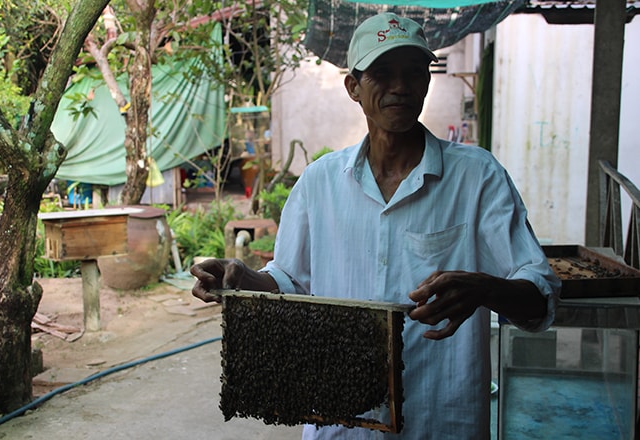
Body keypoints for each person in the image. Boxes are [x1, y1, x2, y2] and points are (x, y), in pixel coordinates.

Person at [191, 12, 560, 440]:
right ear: (353, 87)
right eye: (383, 73)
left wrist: (485, 289)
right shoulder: (319, 182)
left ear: (427, 81)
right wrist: (242, 279)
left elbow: (542, 296)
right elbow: (290, 282)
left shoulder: (478, 177)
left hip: (441, 419)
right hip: (340, 423)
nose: (401, 87)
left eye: (414, 73)